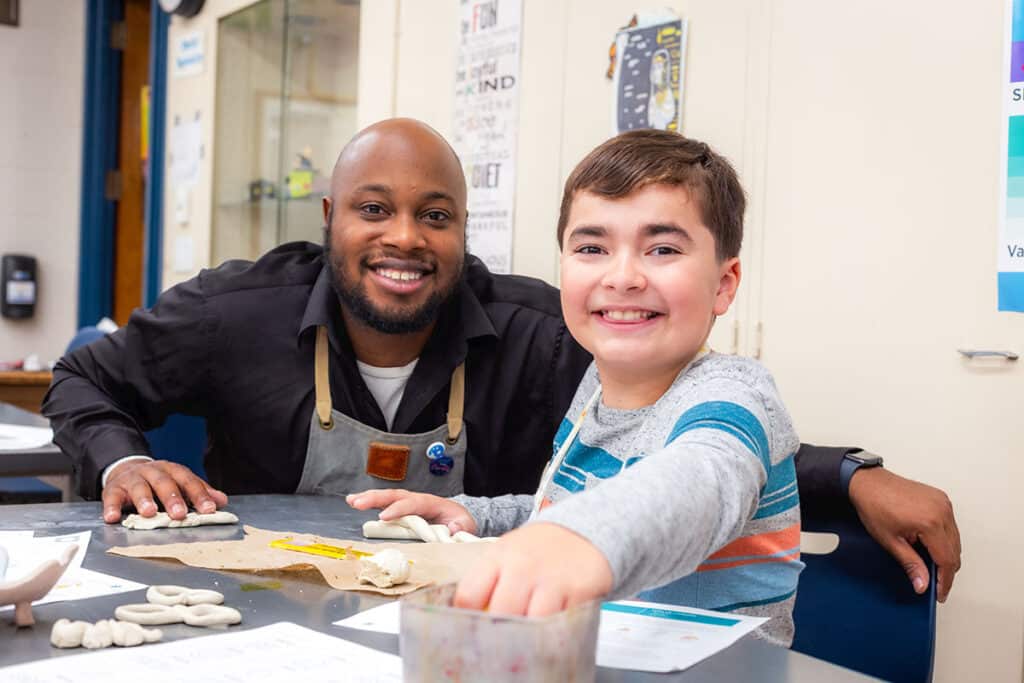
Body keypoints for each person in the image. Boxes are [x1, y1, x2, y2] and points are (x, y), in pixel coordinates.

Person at [42, 118, 960, 602]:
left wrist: (847, 476)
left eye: (435, 215)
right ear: (329, 219)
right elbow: (83, 380)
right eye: (373, 209)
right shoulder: (233, 310)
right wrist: (123, 458)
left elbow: (695, 465)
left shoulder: (554, 337)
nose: (404, 238)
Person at [349, 130, 802, 644]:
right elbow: (568, 508)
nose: (623, 276)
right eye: (592, 247)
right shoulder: (594, 388)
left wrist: (580, 538)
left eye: (662, 248)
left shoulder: (734, 394)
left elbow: (702, 481)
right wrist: (479, 514)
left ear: (724, 283)